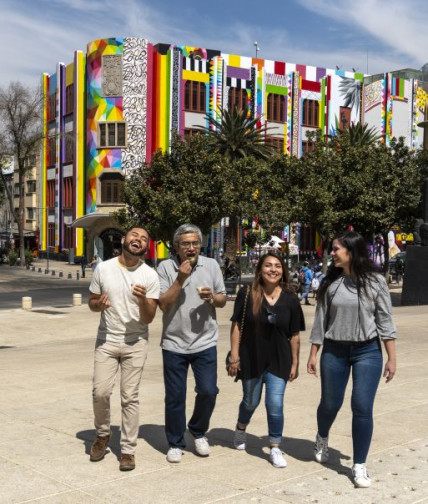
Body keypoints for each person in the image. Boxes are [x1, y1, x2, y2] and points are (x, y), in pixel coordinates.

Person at [307, 231, 397, 488]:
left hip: (367, 351)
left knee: (361, 406)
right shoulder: (330, 285)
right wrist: (314, 353)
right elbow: (320, 323)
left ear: (352, 251)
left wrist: (392, 358)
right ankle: (322, 436)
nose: (332, 253)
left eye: (336, 249)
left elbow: (385, 322)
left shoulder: (376, 282)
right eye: (332, 250)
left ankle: (359, 464)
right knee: (330, 404)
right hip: (334, 351)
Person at [88, 226, 160, 471]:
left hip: (136, 342)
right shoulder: (104, 268)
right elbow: (92, 303)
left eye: (143, 238)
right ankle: (102, 434)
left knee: (130, 397)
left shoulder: (149, 275)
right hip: (107, 340)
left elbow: (149, 317)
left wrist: (142, 300)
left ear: (145, 247)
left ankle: (128, 450)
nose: (138, 240)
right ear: (123, 240)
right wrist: (99, 304)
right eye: (134, 236)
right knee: (100, 392)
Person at [227, 252, 305, 468]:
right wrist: (234, 356)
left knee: (275, 404)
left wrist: (295, 363)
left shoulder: (290, 298)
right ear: (260, 270)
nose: (273, 270)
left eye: (278, 266)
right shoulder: (247, 294)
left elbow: (295, 334)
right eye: (268, 265)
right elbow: (237, 326)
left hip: (279, 359)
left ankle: (275, 446)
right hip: (251, 356)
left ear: (283, 270)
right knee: (250, 401)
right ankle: (241, 427)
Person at [157, 223, 227, 463]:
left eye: (195, 243)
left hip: (205, 341)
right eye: (185, 244)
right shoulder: (166, 267)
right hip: (174, 343)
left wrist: (212, 298)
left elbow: (222, 299)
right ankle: (175, 442)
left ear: (200, 245)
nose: (191, 248)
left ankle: (197, 430)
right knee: (175, 396)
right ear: (177, 247)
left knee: (208, 391)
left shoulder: (212, 265)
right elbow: (163, 304)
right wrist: (180, 278)